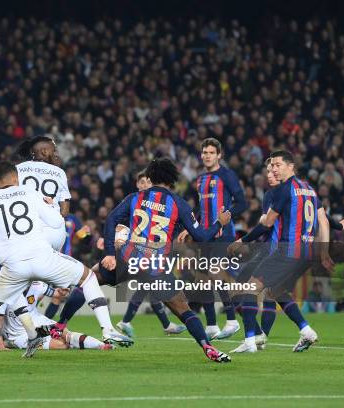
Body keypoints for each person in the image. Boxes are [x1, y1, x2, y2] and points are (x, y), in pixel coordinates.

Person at [0, 161, 132, 366]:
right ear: (16, 178)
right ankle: (108, 330)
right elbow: (55, 221)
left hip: (13, 267)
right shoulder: (29, 193)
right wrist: (49, 205)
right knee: (88, 278)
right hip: (42, 258)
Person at [98, 158, 232, 363]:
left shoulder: (135, 197)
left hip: (128, 260)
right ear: (173, 179)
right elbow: (203, 237)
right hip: (156, 268)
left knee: (87, 279)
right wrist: (219, 223)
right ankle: (208, 347)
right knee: (184, 311)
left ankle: (60, 325)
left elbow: (111, 220)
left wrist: (109, 252)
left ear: (150, 177)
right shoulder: (179, 204)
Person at [228, 150, 333, 353]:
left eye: (278, 165)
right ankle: (307, 331)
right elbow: (324, 221)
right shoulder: (309, 189)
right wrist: (324, 251)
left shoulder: (284, 190)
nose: (274, 169)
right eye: (272, 166)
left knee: (250, 288)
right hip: (306, 254)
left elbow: (267, 223)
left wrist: (243, 239)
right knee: (277, 292)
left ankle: (251, 339)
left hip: (286, 251)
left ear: (290, 166)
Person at [116, 171, 186, 337]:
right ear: (137, 184)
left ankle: (164, 324)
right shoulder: (132, 201)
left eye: (147, 182)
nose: (144, 185)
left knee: (149, 288)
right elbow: (120, 223)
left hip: (151, 254)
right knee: (148, 286)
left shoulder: (154, 205)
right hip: (132, 254)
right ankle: (127, 322)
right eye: (141, 182)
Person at [192, 138, 247, 340]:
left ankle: (232, 320)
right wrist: (191, 226)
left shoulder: (226, 175)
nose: (207, 155)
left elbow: (242, 202)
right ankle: (212, 326)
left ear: (219, 155)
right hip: (205, 235)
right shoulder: (200, 179)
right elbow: (202, 208)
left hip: (223, 234)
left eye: (211, 152)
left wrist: (226, 217)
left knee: (216, 273)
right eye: (204, 152)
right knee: (202, 279)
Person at [0, 282, 113, 351]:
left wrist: (62, 292)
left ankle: (101, 345)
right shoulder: (7, 290)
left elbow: (56, 294)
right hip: (18, 334)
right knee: (61, 345)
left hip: (37, 320)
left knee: (65, 334)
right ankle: (10, 343)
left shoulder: (37, 285)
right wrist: (0, 345)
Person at [15, 136, 72, 250]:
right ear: (44, 151)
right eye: (54, 150)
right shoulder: (59, 172)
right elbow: (65, 211)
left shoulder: (17, 169)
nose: (56, 154)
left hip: (25, 228)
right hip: (53, 232)